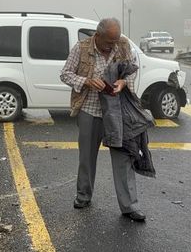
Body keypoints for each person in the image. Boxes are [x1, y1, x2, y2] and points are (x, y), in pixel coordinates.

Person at [60, 17, 146, 221]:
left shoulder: (123, 45)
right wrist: (87, 81)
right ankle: (83, 196)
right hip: (90, 110)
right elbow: (65, 74)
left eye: (115, 42)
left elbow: (133, 69)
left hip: (118, 112)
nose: (112, 46)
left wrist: (123, 82)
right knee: (87, 158)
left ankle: (129, 206)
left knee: (124, 158)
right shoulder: (81, 48)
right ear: (97, 35)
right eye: (108, 42)